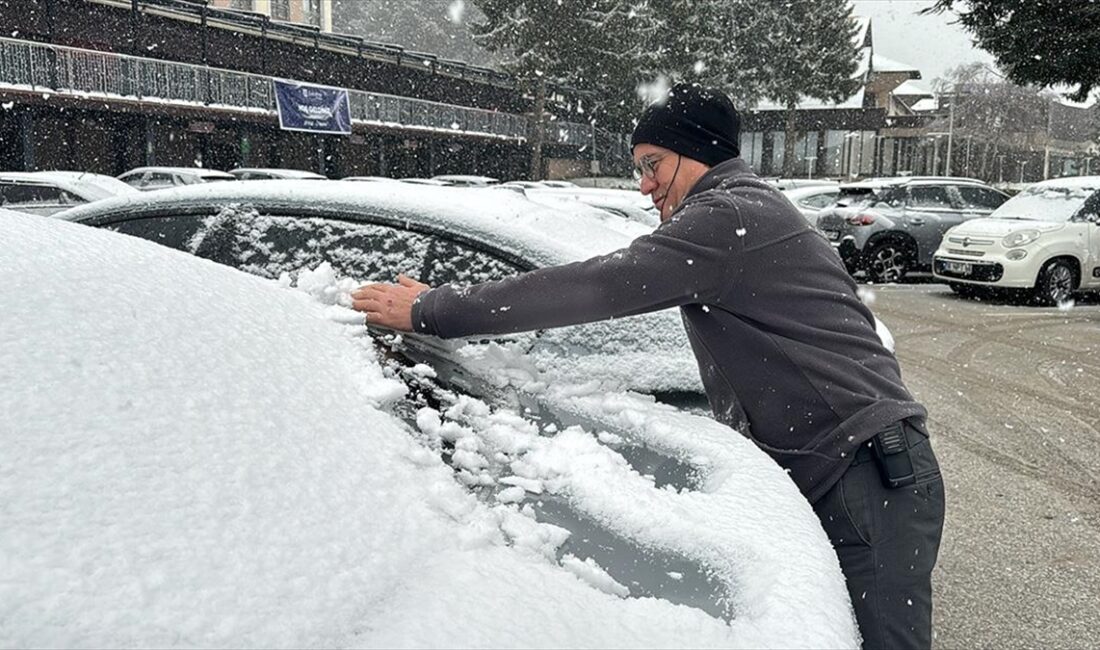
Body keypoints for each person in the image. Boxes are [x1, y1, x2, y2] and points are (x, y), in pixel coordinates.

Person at [351, 83, 945, 650]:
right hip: (854, 468)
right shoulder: (749, 211)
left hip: (868, 475)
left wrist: (435, 311)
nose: (643, 185)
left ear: (698, 154)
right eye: (639, 168)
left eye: (652, 164)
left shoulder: (728, 217)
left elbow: (599, 286)